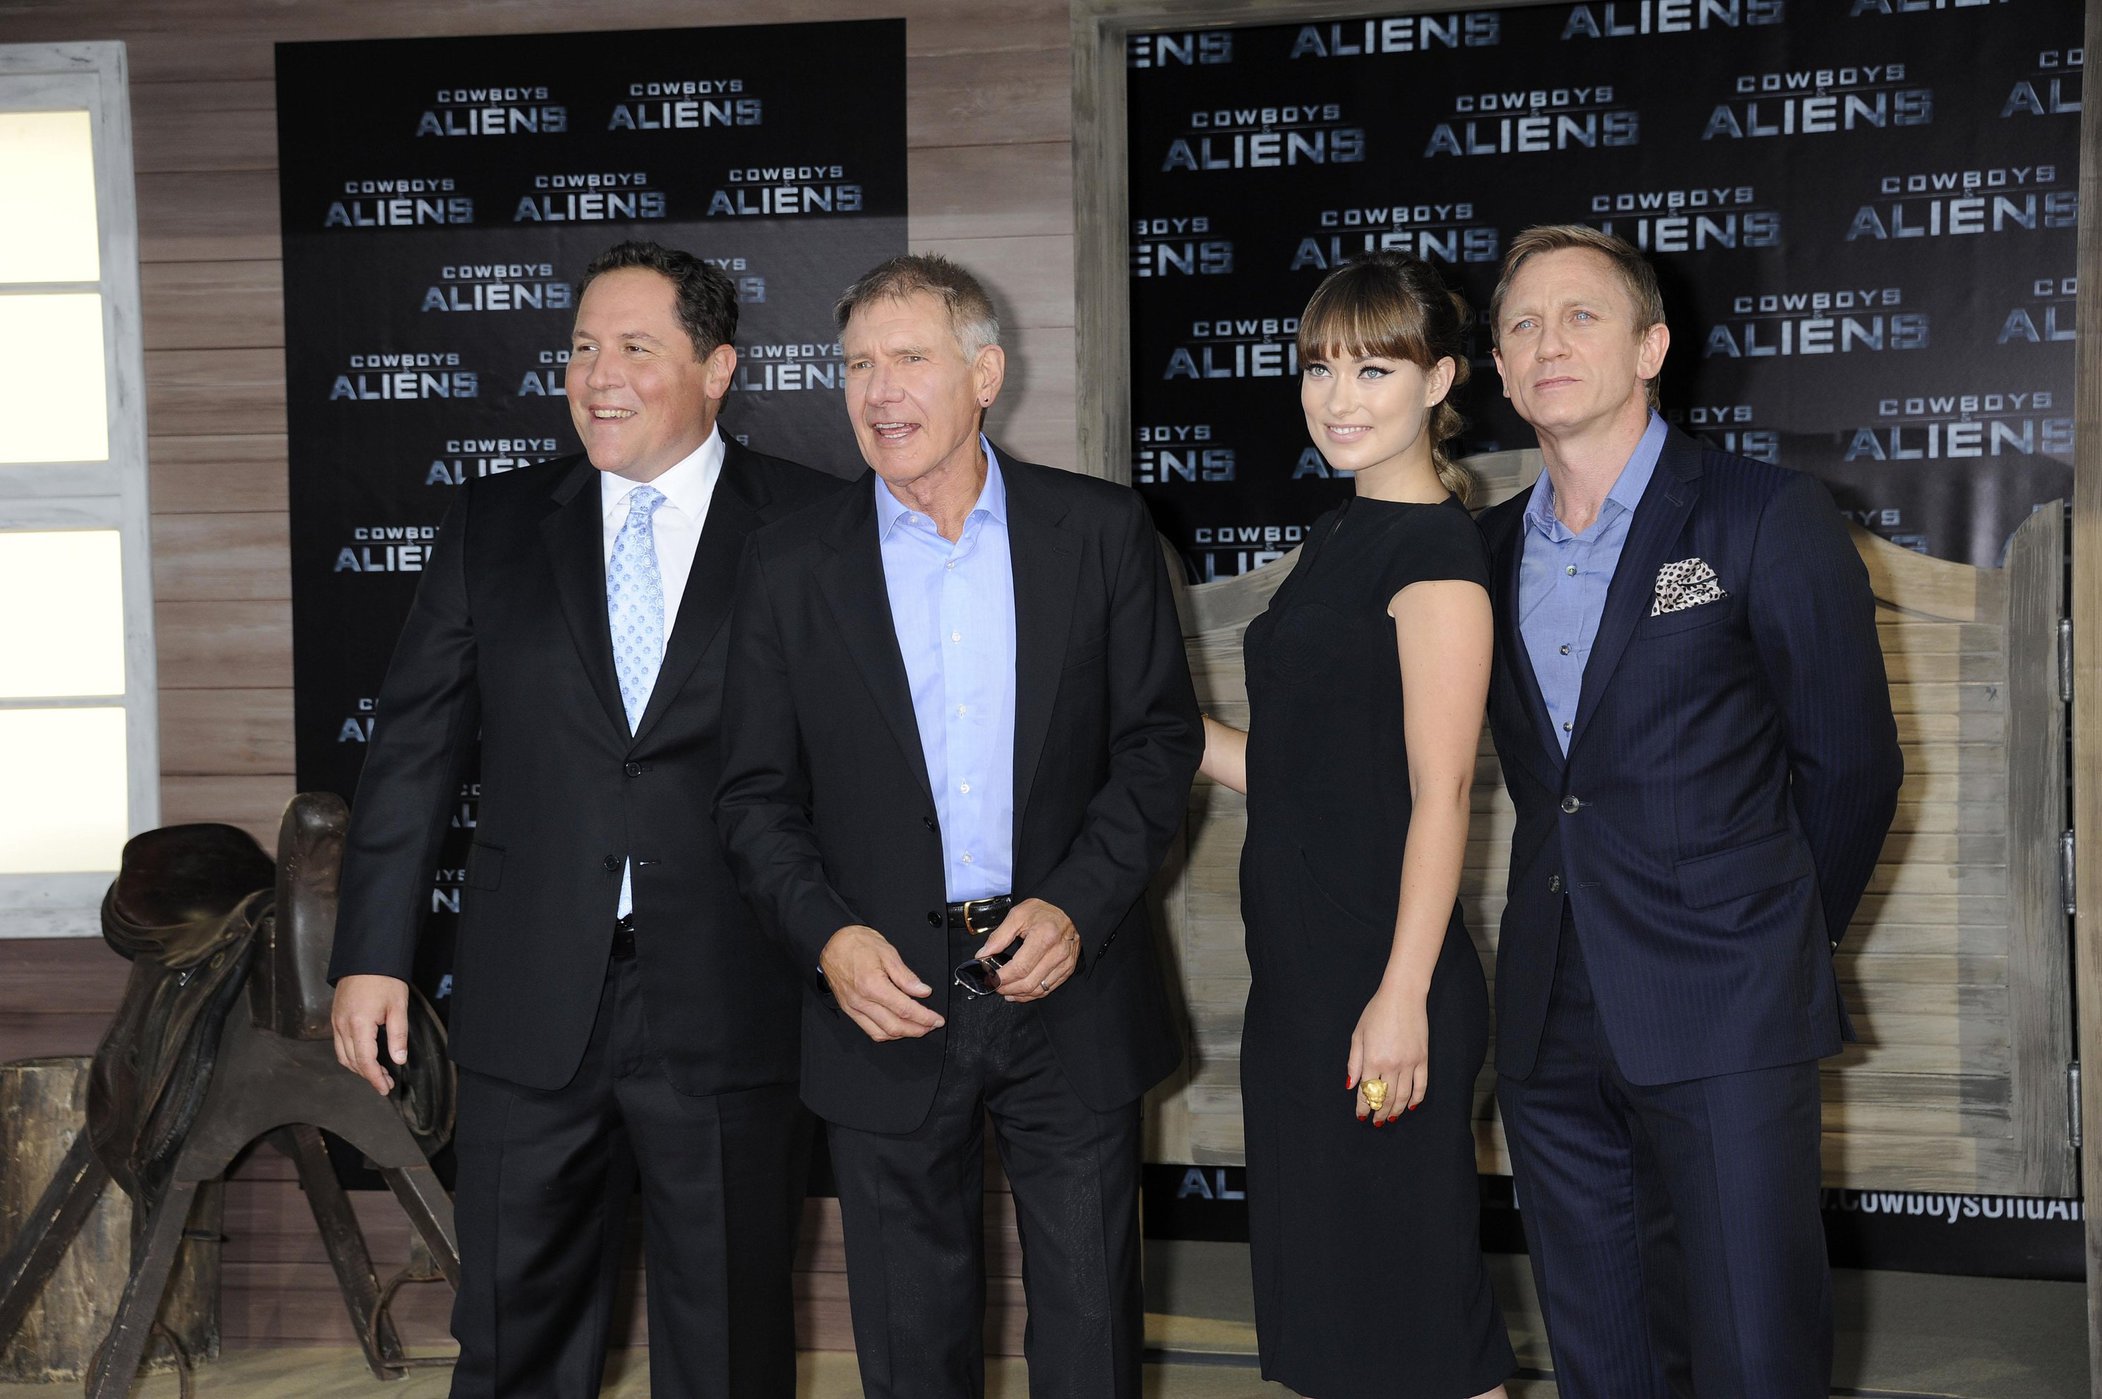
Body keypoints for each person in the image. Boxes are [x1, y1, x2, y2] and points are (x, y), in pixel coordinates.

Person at [327, 239, 844, 1398]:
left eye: (633, 347)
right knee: (512, 1338)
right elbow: (411, 754)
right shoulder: (493, 524)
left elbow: (858, 766)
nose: (594, 374)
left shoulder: (815, 526)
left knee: (727, 1345)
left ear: (716, 368)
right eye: (579, 347)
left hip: (735, 992)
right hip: (529, 999)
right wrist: (370, 958)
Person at [713, 253, 1200, 1399]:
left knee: (1087, 1338)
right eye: (858, 366)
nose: (879, 390)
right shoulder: (789, 566)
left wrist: (1077, 904)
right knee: (909, 1345)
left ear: (983, 373)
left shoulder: (1099, 530)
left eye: (909, 358)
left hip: (1067, 992)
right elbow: (751, 799)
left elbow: (1154, 748)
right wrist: (828, 938)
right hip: (881, 1003)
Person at [1477, 224, 1903, 1398]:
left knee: (1751, 1352)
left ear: (1652, 344)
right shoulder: (1478, 550)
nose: (1545, 342)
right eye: (1519, 325)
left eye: (1580, 316)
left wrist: (1769, 942)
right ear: (1499, 373)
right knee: (1600, 1353)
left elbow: (1851, 766)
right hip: (1549, 1018)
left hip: (1725, 1005)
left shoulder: (1762, 516)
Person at [1197, 252, 1514, 1399]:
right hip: (1299, 978)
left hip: (1383, 986)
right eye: (1319, 368)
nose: (1338, 397)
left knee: (1419, 1310)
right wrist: (1164, 730)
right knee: (1329, 1309)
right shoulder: (1336, 535)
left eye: (1373, 368)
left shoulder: (1434, 557)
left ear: (1439, 382)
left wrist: (1399, 998)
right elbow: (1297, 774)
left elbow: (1442, 797)